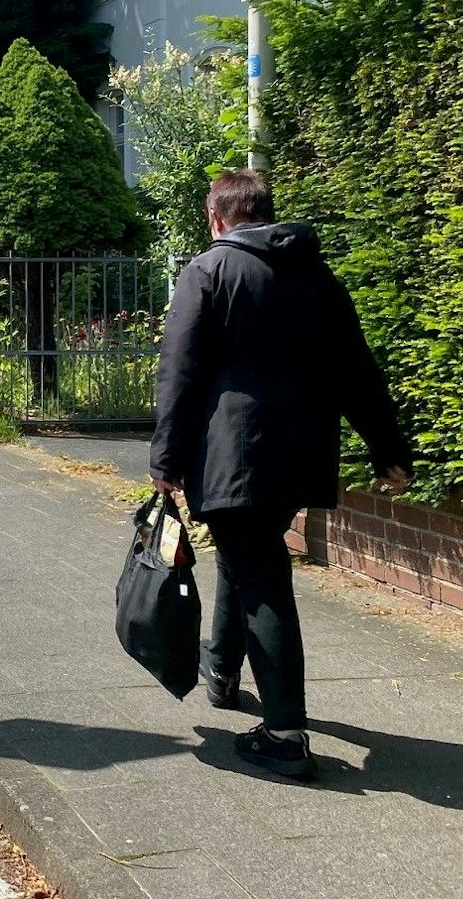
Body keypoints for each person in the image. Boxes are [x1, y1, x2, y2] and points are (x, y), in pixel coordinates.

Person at [151, 170, 411, 779]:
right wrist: (388, 449)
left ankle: (285, 733)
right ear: (266, 215)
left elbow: (179, 374)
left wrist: (164, 459)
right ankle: (221, 671)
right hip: (300, 453)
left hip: (233, 454)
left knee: (261, 575)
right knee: (250, 553)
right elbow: (357, 370)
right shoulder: (317, 277)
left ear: (217, 219)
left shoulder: (209, 272)